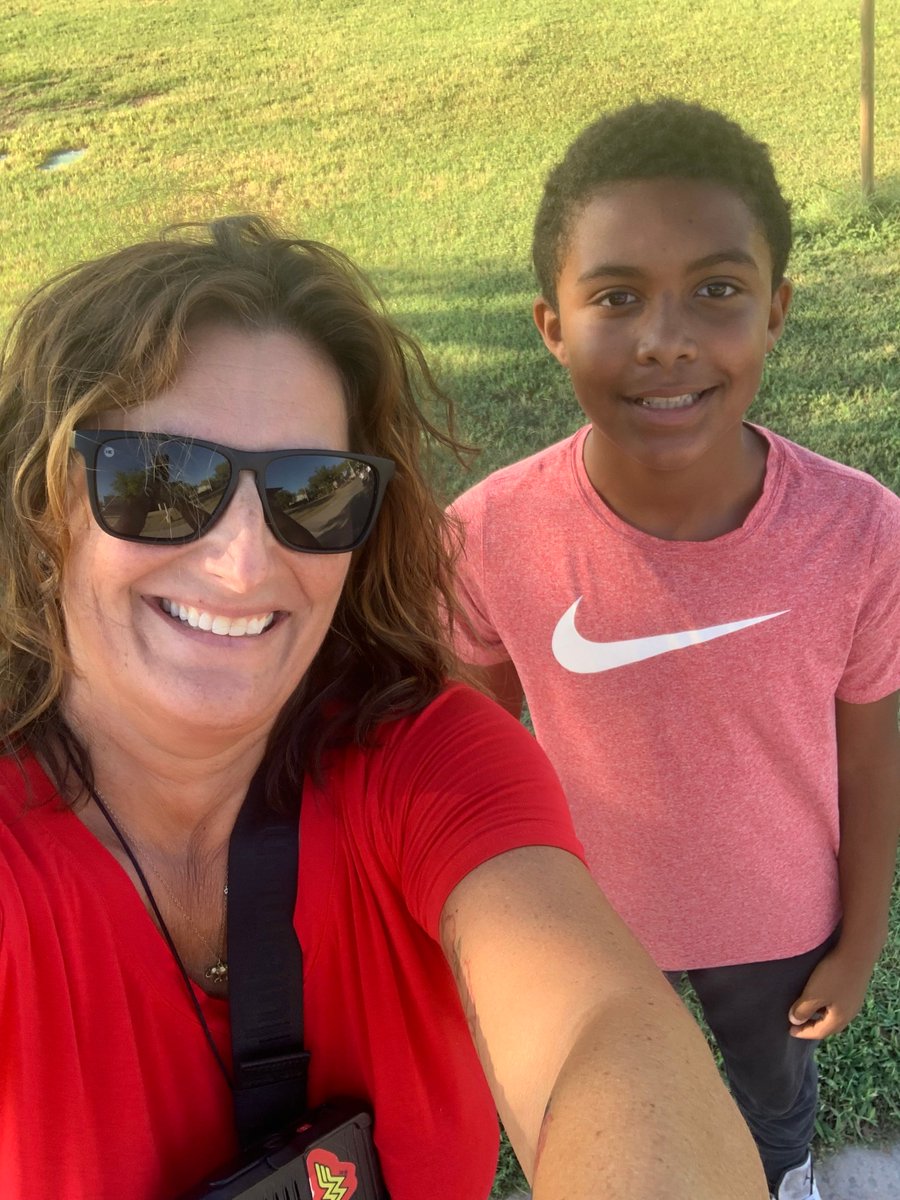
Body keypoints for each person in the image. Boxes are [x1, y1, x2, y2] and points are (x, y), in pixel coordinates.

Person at [0, 215, 768, 1200]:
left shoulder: (421, 759)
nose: (243, 561)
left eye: (310, 493)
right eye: (160, 480)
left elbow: (600, 1034)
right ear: (40, 498)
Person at [448, 100, 900, 1200]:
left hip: (781, 917)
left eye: (717, 289)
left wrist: (860, 939)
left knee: (770, 1101)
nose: (666, 336)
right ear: (551, 322)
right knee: (616, 1125)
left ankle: (785, 1181)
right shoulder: (490, 535)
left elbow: (874, 757)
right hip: (593, 923)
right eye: (615, 297)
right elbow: (464, 741)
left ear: (778, 309)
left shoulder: (860, 532)